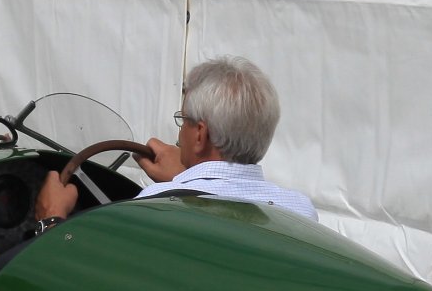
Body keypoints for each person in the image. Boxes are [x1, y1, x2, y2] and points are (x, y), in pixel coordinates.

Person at [32, 56, 317, 229]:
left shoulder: (153, 208)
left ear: (200, 135)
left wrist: (51, 218)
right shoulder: (300, 211)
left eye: (184, 121)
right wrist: (184, 178)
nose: (179, 135)